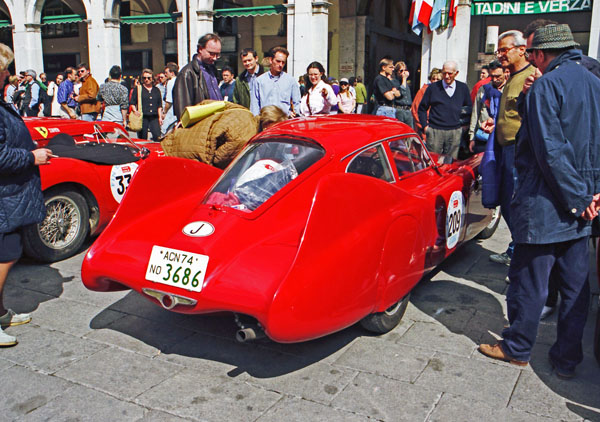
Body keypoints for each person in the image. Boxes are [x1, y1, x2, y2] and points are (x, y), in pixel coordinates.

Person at [478, 24, 600, 379]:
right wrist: (592, 194)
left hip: (549, 205)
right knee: (576, 288)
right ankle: (567, 359)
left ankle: (517, 348)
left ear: (542, 55)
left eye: (532, 55)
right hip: (582, 208)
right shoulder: (594, 83)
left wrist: (578, 198)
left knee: (530, 282)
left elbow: (550, 151)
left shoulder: (547, 84)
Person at [0, 43, 53, 347]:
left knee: (8, 251)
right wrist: (32, 157)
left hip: (10, 195)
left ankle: (0, 313)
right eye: (4, 68)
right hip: (4, 195)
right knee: (4, 256)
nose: (8, 73)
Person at [487, 30, 537, 266]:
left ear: (521, 50)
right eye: (499, 50)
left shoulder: (532, 77)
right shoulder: (513, 77)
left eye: (504, 50)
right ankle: (515, 248)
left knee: (517, 203)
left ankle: (520, 254)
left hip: (520, 151)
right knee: (506, 201)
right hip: (504, 150)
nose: (501, 55)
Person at [417, 61, 471, 159]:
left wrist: (464, 127)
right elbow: (422, 108)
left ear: (456, 73)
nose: (446, 76)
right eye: (444, 73)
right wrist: (425, 127)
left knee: (451, 162)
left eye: (450, 73)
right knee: (433, 161)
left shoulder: (463, 88)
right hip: (435, 131)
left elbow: (468, 108)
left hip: (455, 132)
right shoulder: (433, 88)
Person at [173, 33, 223, 119]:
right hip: (201, 124)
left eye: (217, 54)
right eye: (211, 53)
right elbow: (183, 108)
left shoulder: (212, 70)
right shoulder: (187, 73)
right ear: (200, 49)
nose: (215, 58)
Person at [250, 46, 301, 117]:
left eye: (283, 62)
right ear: (271, 60)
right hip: (266, 121)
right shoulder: (259, 81)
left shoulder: (290, 80)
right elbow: (254, 106)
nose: (280, 65)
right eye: (278, 61)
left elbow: (297, 103)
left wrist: (295, 114)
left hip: (284, 121)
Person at [468, 60, 506, 153]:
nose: (495, 79)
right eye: (492, 76)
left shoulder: (508, 89)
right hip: (483, 136)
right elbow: (475, 112)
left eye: (498, 76)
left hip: (501, 136)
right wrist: (472, 137)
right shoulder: (484, 89)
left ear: (505, 73)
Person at [130, 69, 163, 141]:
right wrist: (135, 111)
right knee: (142, 138)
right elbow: (132, 102)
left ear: (152, 78)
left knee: (157, 136)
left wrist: (160, 117)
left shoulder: (156, 90)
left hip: (154, 116)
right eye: (144, 78)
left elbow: (159, 105)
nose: (146, 80)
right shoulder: (138, 89)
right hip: (143, 116)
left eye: (149, 78)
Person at [391, 61, 413, 127]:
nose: (403, 72)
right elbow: (401, 93)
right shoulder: (394, 82)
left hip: (408, 111)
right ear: (397, 72)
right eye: (401, 71)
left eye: (405, 70)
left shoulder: (407, 83)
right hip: (399, 110)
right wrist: (404, 79)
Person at [161, 62, 179, 136]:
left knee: (165, 133)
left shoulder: (170, 82)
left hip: (171, 112)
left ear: (172, 73)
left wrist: (164, 112)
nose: (165, 74)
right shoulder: (180, 81)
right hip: (178, 112)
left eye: (166, 72)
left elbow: (169, 101)